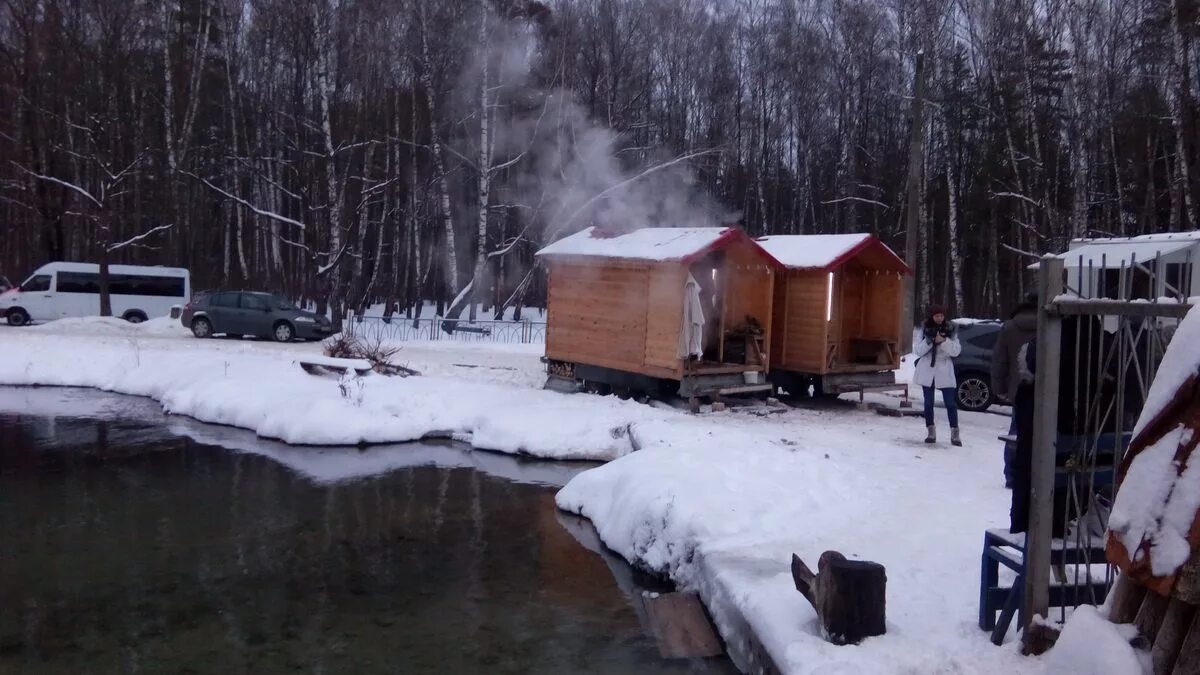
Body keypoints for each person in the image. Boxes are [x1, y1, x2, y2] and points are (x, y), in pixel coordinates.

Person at [991, 293, 1038, 487]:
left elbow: (999, 360)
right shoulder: (1053, 324)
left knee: (1016, 432)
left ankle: (1011, 473)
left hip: (1019, 389)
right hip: (1050, 389)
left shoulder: (1009, 327)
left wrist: (999, 388)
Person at [913, 305, 963, 446]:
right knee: (928, 403)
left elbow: (956, 351)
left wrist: (944, 341)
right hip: (928, 368)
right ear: (932, 317)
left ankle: (955, 432)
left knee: (951, 404)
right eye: (936, 316)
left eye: (941, 315)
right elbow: (918, 350)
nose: (939, 318)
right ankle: (931, 431)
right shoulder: (925, 330)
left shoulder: (951, 329)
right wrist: (930, 341)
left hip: (944, 368)